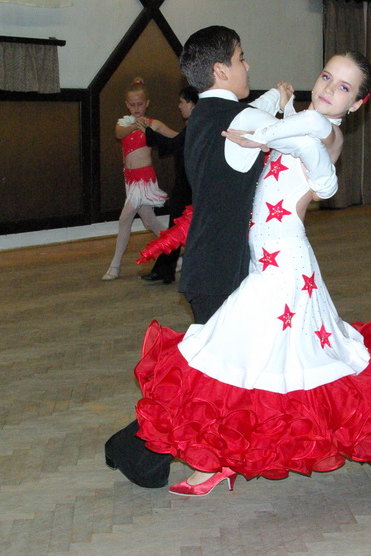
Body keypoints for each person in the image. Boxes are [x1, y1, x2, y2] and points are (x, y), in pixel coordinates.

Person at [135, 52, 371, 495]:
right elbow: (273, 134)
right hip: (266, 258)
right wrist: (273, 109)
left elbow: (301, 140)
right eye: (326, 76)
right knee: (296, 362)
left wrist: (262, 129)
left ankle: (215, 462)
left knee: (228, 346)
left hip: (283, 264)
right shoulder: (298, 121)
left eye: (343, 87)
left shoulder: (326, 131)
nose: (329, 88)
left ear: (357, 104)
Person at [105, 26, 308, 488]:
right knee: (210, 382)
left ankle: (152, 450)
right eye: (241, 58)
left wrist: (274, 99)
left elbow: (255, 112)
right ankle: (134, 447)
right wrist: (304, 104)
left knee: (219, 376)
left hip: (210, 266)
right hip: (221, 272)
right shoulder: (237, 119)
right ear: (220, 69)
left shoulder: (204, 115)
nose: (248, 65)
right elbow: (288, 130)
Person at [102, 78, 176, 281]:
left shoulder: (153, 124)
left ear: (147, 103)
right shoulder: (124, 123)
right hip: (130, 179)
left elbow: (176, 137)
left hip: (144, 179)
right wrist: (135, 125)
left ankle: (115, 266)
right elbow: (119, 133)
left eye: (140, 104)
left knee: (125, 219)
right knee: (150, 221)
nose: (136, 108)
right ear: (127, 105)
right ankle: (175, 256)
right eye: (132, 104)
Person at [140, 86, 198, 284]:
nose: (179, 106)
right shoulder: (195, 124)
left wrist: (148, 132)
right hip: (187, 185)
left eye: (182, 102)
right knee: (177, 228)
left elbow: (173, 145)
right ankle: (165, 270)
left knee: (177, 228)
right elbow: (176, 145)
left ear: (191, 103)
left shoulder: (196, 125)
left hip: (188, 187)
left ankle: (166, 271)